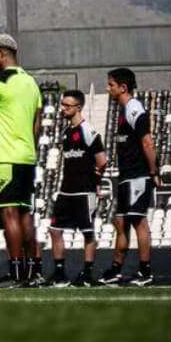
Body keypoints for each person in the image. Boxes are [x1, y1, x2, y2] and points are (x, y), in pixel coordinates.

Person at [0, 33, 42, 288]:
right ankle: (32, 272)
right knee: (25, 214)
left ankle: (15, 274)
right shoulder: (30, 82)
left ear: (1, 53)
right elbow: (37, 123)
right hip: (26, 156)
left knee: (9, 213)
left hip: (5, 157)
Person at [100, 67, 160, 286]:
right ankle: (116, 269)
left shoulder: (134, 108)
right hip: (126, 176)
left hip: (138, 175)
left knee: (138, 222)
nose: (108, 89)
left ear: (123, 87)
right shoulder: (124, 111)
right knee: (120, 222)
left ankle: (146, 272)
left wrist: (153, 172)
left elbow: (147, 142)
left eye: (111, 85)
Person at [47, 89, 106, 287]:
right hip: (66, 191)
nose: (63, 109)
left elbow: (102, 161)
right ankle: (59, 274)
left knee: (88, 233)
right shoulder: (66, 133)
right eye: (62, 105)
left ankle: (87, 274)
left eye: (67, 105)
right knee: (55, 230)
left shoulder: (88, 131)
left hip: (84, 191)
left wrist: (95, 182)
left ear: (78, 107)